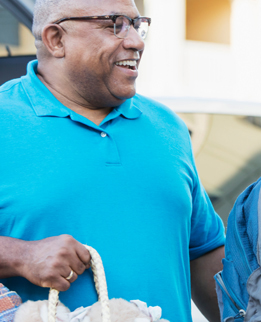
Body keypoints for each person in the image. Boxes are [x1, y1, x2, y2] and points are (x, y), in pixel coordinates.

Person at [0, 0, 225, 321]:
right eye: (114, 24)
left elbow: (203, 249)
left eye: (137, 24)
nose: (136, 41)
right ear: (56, 39)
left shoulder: (168, 126)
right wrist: (21, 256)